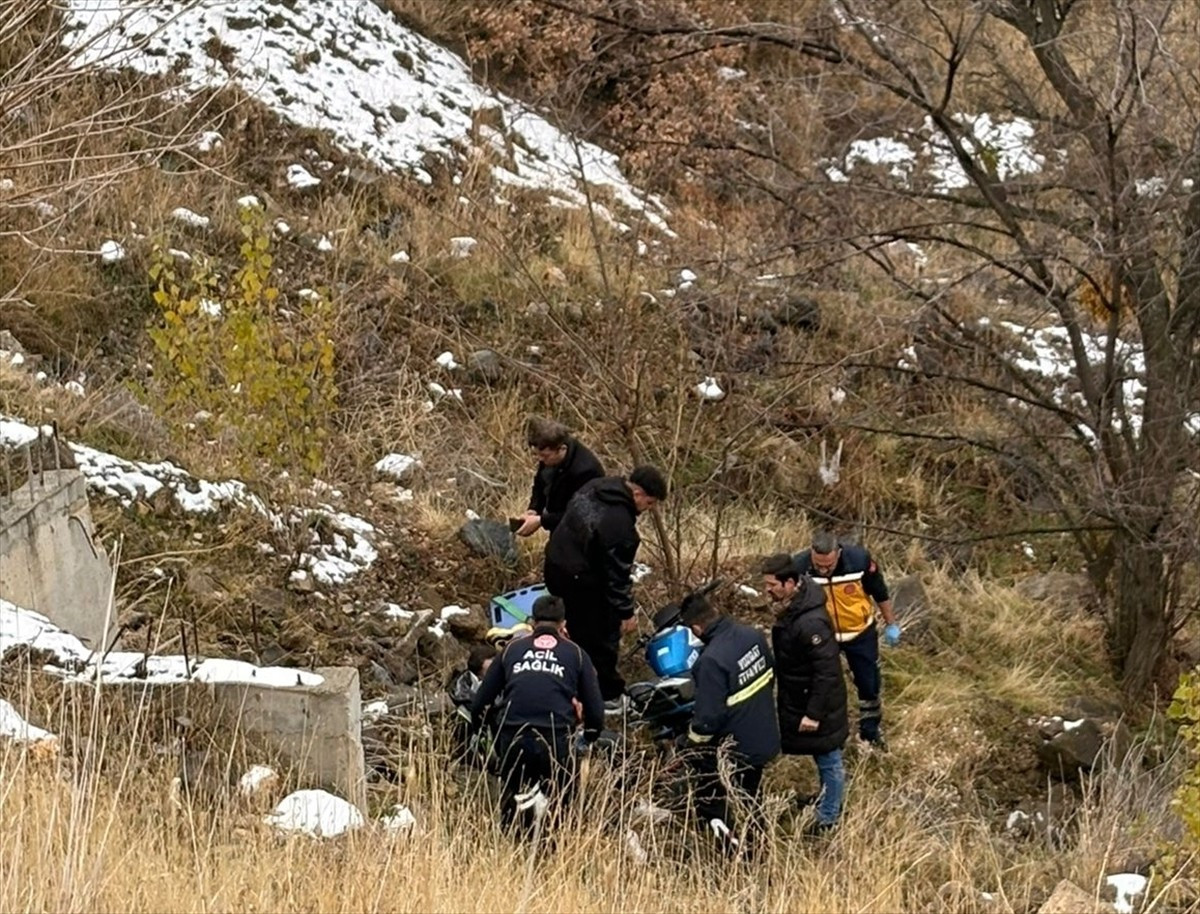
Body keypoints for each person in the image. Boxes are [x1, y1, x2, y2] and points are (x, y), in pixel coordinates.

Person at [469, 594, 605, 832]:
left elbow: (481, 701)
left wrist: (483, 730)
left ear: (531, 622)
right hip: (555, 740)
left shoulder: (511, 650)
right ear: (563, 624)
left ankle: (515, 851)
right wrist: (589, 737)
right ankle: (552, 855)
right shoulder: (576, 654)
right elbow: (595, 709)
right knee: (560, 809)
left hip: (514, 736)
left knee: (516, 805)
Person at [543, 465, 668, 703]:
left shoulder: (596, 486)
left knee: (576, 626)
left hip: (556, 564)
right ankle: (607, 694)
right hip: (579, 580)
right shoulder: (620, 526)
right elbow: (616, 575)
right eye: (650, 503)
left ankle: (571, 669)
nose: (648, 510)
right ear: (638, 494)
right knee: (600, 634)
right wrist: (625, 613)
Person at [678, 590, 780, 849]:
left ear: (697, 628)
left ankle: (735, 851)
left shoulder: (710, 661)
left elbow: (708, 719)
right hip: (764, 732)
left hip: (735, 748)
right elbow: (770, 673)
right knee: (750, 795)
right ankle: (760, 841)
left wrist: (691, 744)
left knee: (712, 798)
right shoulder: (752, 635)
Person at [762, 553, 849, 833]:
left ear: (790, 583)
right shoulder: (795, 607)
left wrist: (813, 713)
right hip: (803, 695)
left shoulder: (810, 623)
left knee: (828, 757)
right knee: (822, 755)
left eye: (772, 584)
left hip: (817, 702)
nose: (767, 590)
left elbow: (827, 671)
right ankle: (828, 800)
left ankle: (829, 817)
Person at [793, 530, 899, 747]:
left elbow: (879, 591)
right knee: (822, 683)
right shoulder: (800, 567)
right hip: (823, 636)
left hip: (859, 633)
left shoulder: (859, 561)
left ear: (838, 553)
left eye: (828, 566)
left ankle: (870, 731)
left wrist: (891, 624)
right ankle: (827, 730)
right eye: (818, 565)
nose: (823, 570)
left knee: (868, 684)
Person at [514, 417, 604, 537]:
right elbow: (540, 483)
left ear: (562, 449)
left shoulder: (587, 471)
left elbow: (580, 515)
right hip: (559, 522)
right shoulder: (549, 455)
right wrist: (534, 509)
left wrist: (541, 521)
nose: (540, 460)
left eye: (544, 456)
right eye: (538, 455)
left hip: (582, 534)